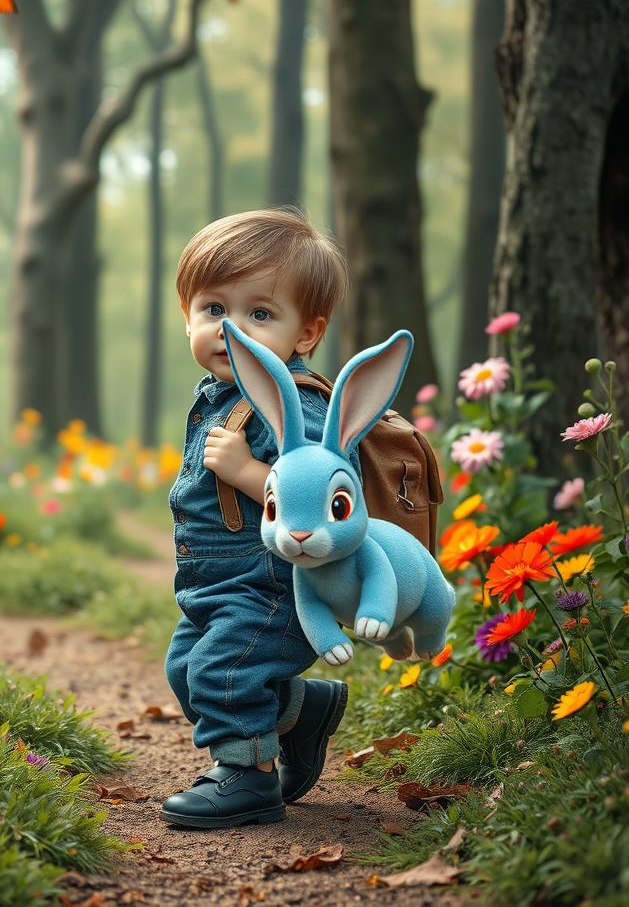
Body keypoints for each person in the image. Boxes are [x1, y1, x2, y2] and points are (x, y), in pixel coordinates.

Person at [161, 206, 361, 829]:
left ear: (305, 334)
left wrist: (247, 472)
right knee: (186, 671)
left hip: (273, 583)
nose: (231, 331)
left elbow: (320, 493)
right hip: (212, 581)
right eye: (214, 310)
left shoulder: (296, 404)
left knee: (223, 671)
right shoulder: (222, 393)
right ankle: (300, 711)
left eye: (260, 314)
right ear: (189, 315)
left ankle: (246, 778)